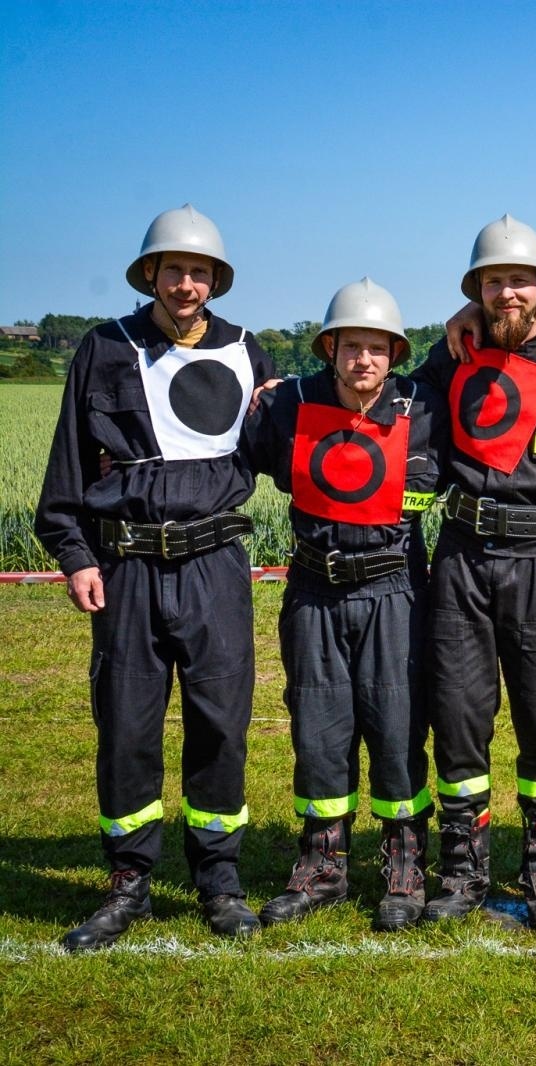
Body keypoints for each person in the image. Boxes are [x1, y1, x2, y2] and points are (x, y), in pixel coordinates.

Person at [36, 205, 274, 950]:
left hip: (214, 566)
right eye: (174, 270)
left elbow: (291, 442)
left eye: (200, 272)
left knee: (221, 725)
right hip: (127, 567)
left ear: (216, 280)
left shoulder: (247, 349)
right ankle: (128, 883)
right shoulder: (104, 346)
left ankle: (219, 881)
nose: (186, 284)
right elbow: (70, 462)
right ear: (150, 274)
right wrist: (76, 555)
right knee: (127, 727)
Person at [409, 215, 536, 929]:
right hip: (463, 556)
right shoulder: (452, 353)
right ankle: (463, 871)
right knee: (459, 716)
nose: (506, 294)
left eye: (519, 281)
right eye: (492, 282)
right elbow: (394, 411)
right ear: (475, 290)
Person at [240, 278, 443, 931]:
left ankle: (405, 865)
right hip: (314, 590)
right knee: (318, 730)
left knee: (397, 729)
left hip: (394, 590)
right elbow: (232, 455)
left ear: (395, 354)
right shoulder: (291, 403)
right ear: (329, 349)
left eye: (377, 347)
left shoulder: (424, 407)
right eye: (351, 346)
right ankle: (321, 865)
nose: (364, 359)